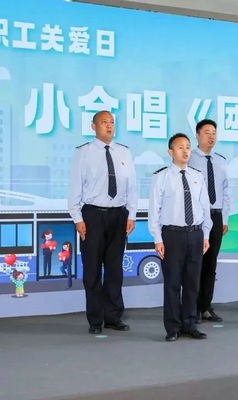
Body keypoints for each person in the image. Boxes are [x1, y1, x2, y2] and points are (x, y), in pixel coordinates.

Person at [68, 110, 137, 334]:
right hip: (93, 216)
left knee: (115, 270)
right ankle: (95, 320)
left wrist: (132, 214)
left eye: (112, 122)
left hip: (119, 215)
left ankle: (113, 317)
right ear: (93, 126)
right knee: (92, 270)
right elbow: (75, 187)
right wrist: (78, 218)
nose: (109, 126)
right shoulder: (84, 152)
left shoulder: (124, 152)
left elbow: (132, 187)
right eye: (104, 122)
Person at [149, 133, 212, 342]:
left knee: (192, 283)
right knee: (173, 283)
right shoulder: (162, 177)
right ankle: (173, 327)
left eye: (187, 147)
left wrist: (206, 234)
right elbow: (154, 211)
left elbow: (205, 207)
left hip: (195, 234)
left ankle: (190, 324)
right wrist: (157, 238)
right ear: (170, 152)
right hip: (172, 235)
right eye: (180, 147)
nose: (185, 151)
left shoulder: (197, 176)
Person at [189, 119, 230, 323]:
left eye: (214, 132)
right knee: (196, 263)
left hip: (216, 215)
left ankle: (206, 306)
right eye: (207, 132)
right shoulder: (189, 158)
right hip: (197, 217)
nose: (211, 136)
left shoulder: (221, 161)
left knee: (211, 263)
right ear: (197, 135)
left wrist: (225, 218)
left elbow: (226, 191)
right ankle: (193, 308)